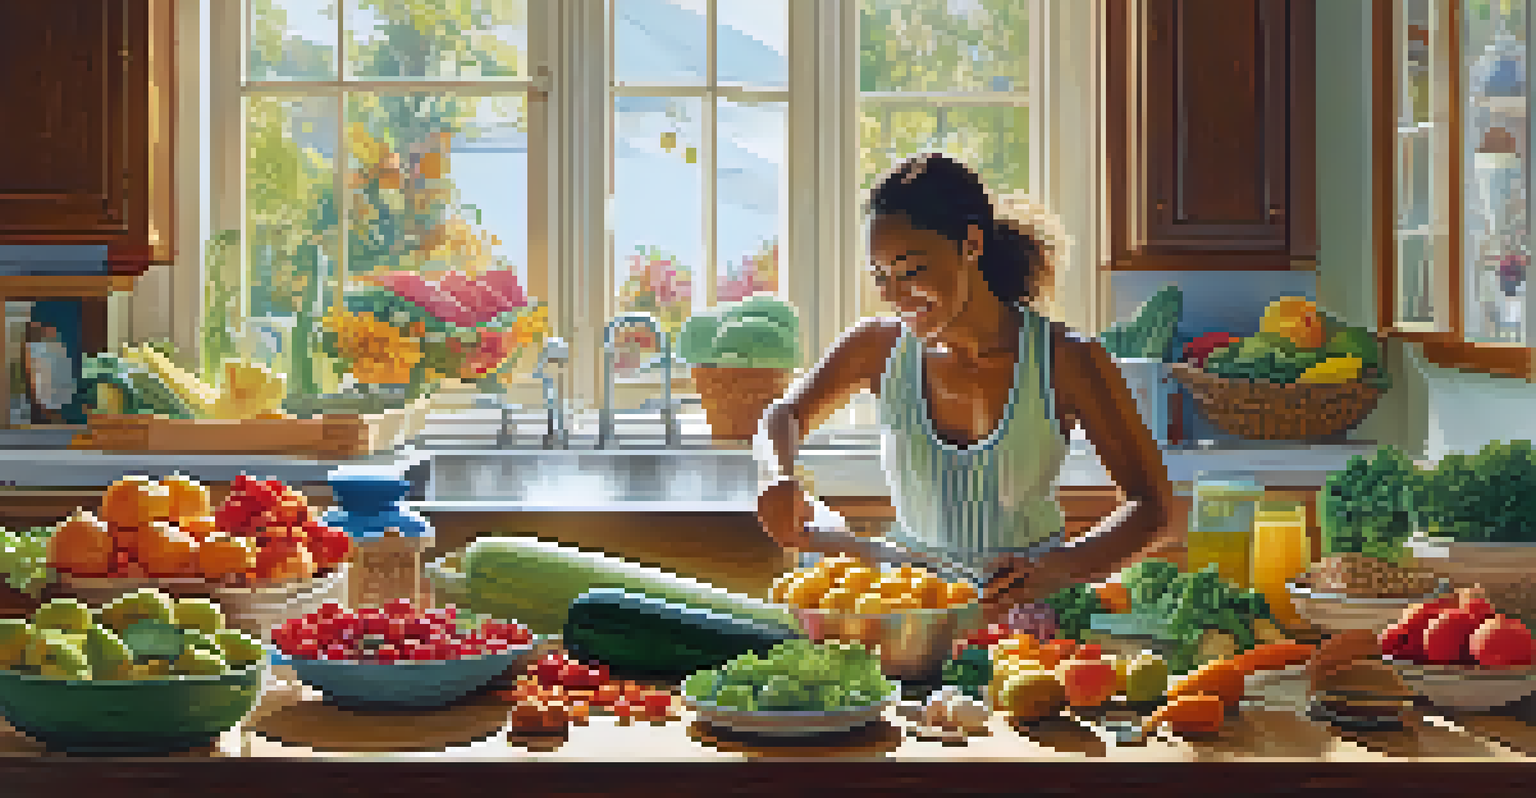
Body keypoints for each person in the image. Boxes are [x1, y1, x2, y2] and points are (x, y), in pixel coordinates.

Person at [756, 153, 1175, 623]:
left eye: (910, 271)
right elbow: (784, 416)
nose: (893, 296)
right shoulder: (874, 348)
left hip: (1028, 619)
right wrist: (778, 475)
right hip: (912, 610)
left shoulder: (1067, 360)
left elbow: (1154, 507)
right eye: (880, 276)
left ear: (970, 243)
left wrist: (1058, 568)